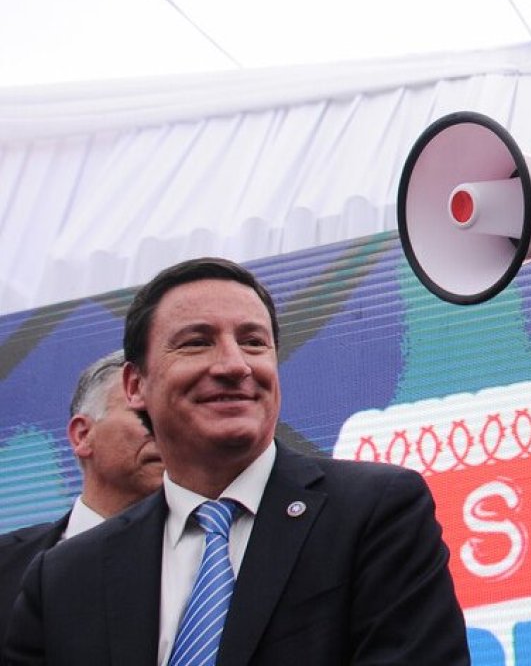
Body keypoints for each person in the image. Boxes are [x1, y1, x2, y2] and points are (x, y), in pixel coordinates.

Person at [3, 257, 469, 665]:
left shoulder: (375, 512)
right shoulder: (64, 578)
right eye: (196, 342)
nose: (234, 365)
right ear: (135, 385)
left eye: (253, 342)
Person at [0, 350, 163, 645]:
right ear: (82, 435)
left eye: (173, 416)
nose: (167, 428)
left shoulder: (218, 566)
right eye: (145, 413)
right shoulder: (7, 563)